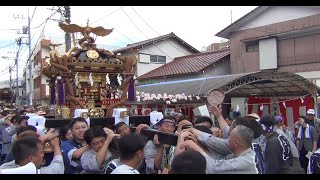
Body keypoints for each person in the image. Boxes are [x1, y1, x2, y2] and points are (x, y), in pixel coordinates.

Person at [181, 125, 259, 174]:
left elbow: (215, 168)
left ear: (236, 142)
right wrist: (199, 146)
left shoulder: (245, 161)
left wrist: (196, 148)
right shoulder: (244, 153)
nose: (227, 140)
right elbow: (219, 160)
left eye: (230, 137)